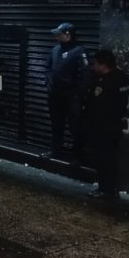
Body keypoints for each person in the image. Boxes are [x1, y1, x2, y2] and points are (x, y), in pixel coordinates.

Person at [83, 50, 129, 200]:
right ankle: (111, 188)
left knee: (103, 158)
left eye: (96, 64)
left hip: (103, 126)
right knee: (110, 158)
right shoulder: (123, 78)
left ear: (103, 65)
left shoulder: (105, 83)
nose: (93, 67)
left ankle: (105, 189)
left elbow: (97, 106)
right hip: (115, 125)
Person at [45, 22, 89, 160]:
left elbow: (85, 75)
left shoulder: (79, 51)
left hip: (71, 97)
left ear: (67, 35)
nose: (56, 37)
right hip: (55, 96)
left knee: (75, 127)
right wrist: (48, 84)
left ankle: (77, 156)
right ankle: (55, 151)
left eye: (59, 34)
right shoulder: (55, 50)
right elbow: (48, 69)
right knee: (56, 126)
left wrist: (77, 93)